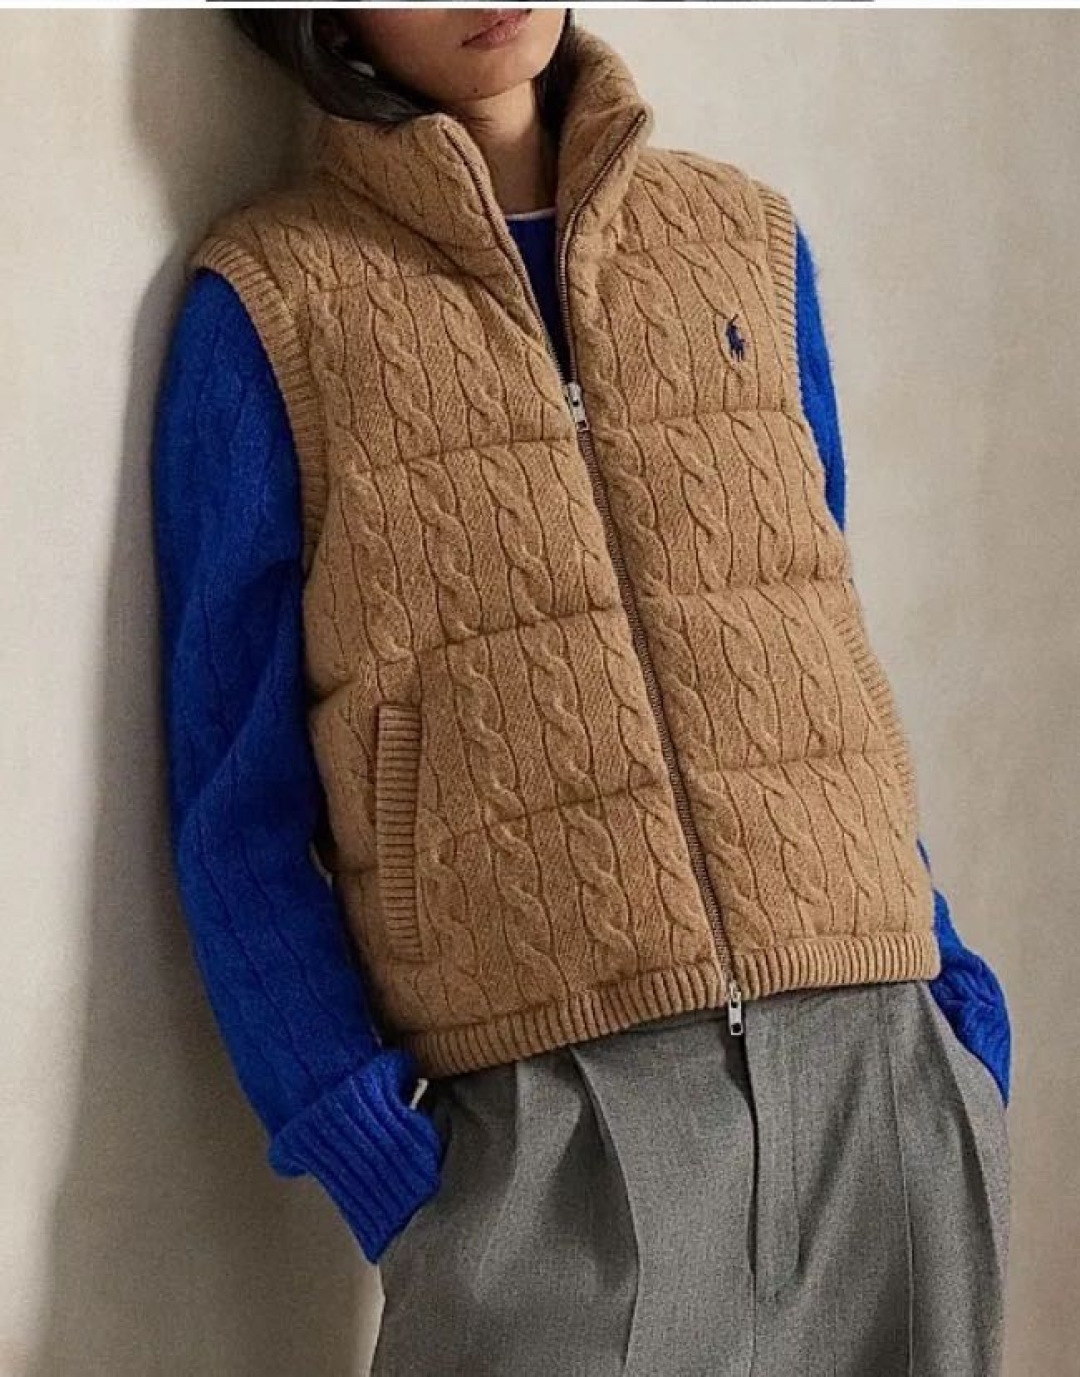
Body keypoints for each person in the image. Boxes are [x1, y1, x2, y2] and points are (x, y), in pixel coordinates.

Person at [151, 9, 1012, 1374]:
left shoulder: (742, 243)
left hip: (883, 1083)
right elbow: (233, 797)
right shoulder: (275, 308)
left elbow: (817, 639)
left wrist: (957, 1015)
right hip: (545, 1141)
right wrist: (375, 1150)